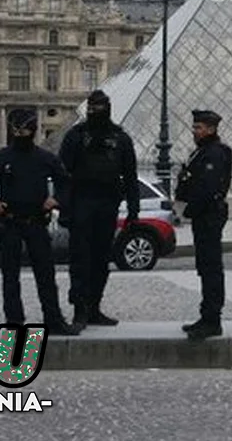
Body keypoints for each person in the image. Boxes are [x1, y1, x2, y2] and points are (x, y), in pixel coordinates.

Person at [0, 108, 78, 335]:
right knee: (10, 276)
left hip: (37, 221)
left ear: (34, 130)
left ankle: (53, 320)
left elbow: (66, 183)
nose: (22, 134)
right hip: (9, 222)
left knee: (46, 275)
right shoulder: (1, 157)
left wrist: (55, 199)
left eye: (26, 129)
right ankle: (14, 322)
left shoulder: (45, 158)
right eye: (18, 130)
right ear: (12, 130)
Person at [59, 89, 139, 327]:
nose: (96, 112)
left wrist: (133, 211)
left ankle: (94, 306)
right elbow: (63, 174)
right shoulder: (75, 136)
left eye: (100, 107)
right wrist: (64, 208)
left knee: (102, 259)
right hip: (81, 203)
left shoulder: (120, 138)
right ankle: (79, 309)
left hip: (107, 203)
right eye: (93, 107)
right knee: (80, 260)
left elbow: (130, 175)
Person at [176, 108, 232, 340]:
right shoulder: (203, 152)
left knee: (210, 268)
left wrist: (188, 210)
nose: (194, 131)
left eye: (198, 127)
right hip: (204, 216)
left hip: (209, 215)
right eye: (194, 127)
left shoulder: (214, 154)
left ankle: (212, 319)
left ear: (211, 129)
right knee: (205, 267)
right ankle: (207, 316)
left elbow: (207, 189)